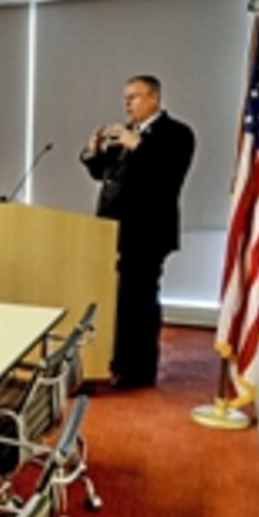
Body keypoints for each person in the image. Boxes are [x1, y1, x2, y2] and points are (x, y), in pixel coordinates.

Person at [81, 74, 195, 388]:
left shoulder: (177, 134)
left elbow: (166, 174)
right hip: (112, 231)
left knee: (139, 302)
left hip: (147, 233)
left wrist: (138, 145)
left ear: (154, 98)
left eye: (134, 97)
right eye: (125, 98)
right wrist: (94, 150)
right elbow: (101, 171)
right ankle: (115, 360)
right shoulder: (129, 133)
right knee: (116, 300)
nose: (127, 104)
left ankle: (139, 372)